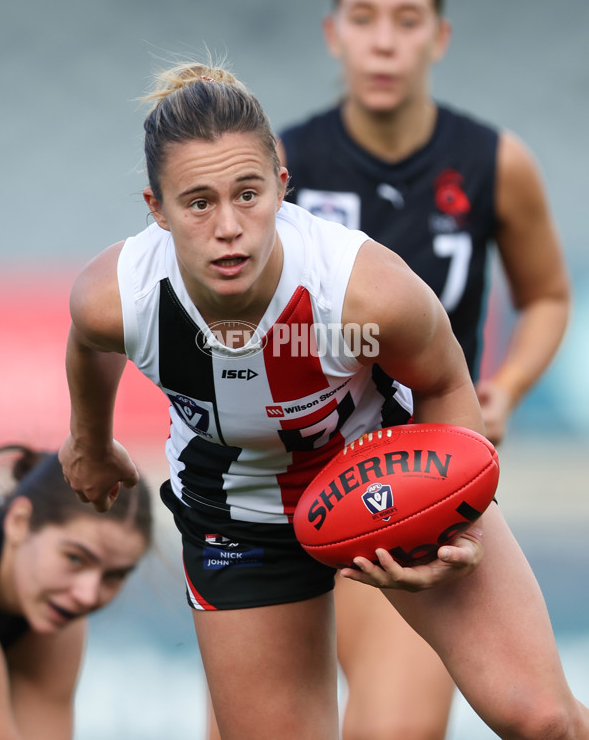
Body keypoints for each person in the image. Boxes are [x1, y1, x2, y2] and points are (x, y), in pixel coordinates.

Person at [58, 60, 588, 740]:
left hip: (384, 483)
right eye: (198, 203)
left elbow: (445, 382)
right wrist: (92, 441)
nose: (228, 226)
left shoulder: (363, 290)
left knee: (542, 720)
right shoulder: (115, 297)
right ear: (156, 210)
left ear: (282, 186)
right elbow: (91, 343)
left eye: (247, 194)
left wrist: (458, 523)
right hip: (236, 515)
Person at [272, 0, 571, 739]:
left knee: (420, 725)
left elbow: (545, 295)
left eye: (407, 21)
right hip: (292, 478)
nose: (383, 40)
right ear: (334, 34)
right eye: (364, 19)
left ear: (438, 38)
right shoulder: (281, 167)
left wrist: (501, 388)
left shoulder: (494, 162)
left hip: (418, 474)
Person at [0, 443, 152, 740]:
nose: (87, 595)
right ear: (19, 522)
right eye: (75, 558)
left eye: (114, 575)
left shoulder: (58, 618)